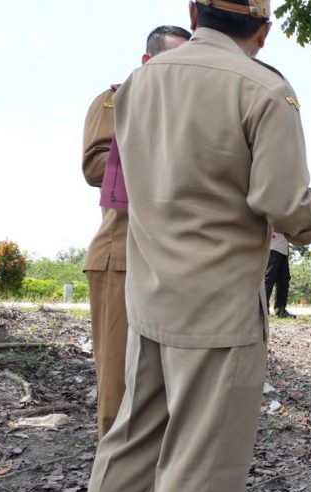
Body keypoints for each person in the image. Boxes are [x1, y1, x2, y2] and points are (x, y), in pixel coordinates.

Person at [81, 1, 311, 492]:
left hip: (149, 295)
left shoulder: (137, 84)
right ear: (264, 31)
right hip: (218, 309)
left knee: (131, 441)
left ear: (193, 12)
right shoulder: (264, 89)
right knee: (200, 464)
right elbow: (286, 205)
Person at [80, 24, 190, 439]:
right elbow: (95, 167)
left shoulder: (192, 112)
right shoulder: (117, 99)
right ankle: (112, 474)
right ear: (147, 61)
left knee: (165, 389)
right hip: (121, 256)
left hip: (173, 264)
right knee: (118, 386)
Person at [265, 231, 294, 317]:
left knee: (284, 280)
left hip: (284, 249)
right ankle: (263, 308)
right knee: (269, 278)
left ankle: (280, 309)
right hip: (273, 247)